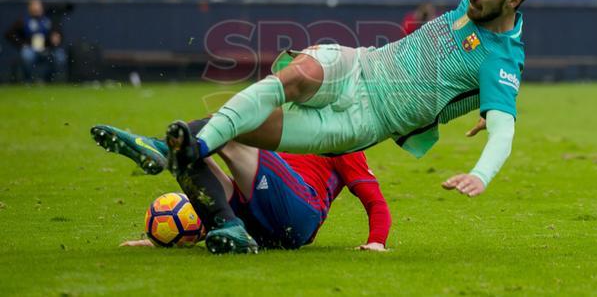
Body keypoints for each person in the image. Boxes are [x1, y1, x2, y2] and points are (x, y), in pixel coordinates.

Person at [103, 0, 539, 254]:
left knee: (238, 125)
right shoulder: (476, 4)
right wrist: (480, 102)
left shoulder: (501, 60)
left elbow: (505, 129)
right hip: (360, 65)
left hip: (365, 121)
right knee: (300, 72)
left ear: (512, 0)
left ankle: (180, 157)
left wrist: (482, 171)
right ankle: (174, 152)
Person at [91, 118, 391, 254]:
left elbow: (374, 201)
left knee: (228, 127)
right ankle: (228, 226)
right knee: (187, 156)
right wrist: (166, 240)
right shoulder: (285, 126)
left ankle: (160, 148)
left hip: (301, 214)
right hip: (261, 228)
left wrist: (377, 241)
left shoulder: (342, 139)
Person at [4, 0, 67, 82]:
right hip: (31, 49)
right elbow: (9, 34)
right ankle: (30, 79)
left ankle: (48, 79)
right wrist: (22, 44)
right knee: (26, 55)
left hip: (47, 49)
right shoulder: (23, 21)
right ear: (29, 8)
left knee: (60, 56)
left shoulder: (49, 20)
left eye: (38, 6)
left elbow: (58, 34)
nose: (36, 9)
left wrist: (56, 39)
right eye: (34, 6)